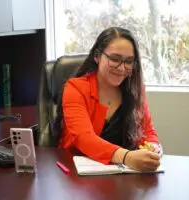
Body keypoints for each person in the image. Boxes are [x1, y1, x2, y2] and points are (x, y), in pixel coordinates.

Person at [54, 27, 163, 172]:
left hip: (123, 175)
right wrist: (127, 157)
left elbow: (148, 132)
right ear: (97, 57)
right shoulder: (75, 88)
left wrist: (152, 148)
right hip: (77, 174)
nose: (122, 68)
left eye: (129, 61)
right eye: (115, 59)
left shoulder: (136, 90)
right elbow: (84, 138)